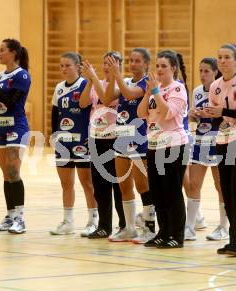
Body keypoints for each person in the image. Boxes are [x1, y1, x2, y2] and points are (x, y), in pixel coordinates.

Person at [197, 43, 236, 256]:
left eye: (227, 57)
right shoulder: (215, 85)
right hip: (224, 141)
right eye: (220, 57)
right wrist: (208, 115)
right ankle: (235, 239)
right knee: (228, 193)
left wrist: (222, 110)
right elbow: (219, 118)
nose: (222, 61)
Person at [137, 50, 189, 248]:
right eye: (157, 66)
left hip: (174, 145)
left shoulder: (178, 89)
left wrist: (156, 93)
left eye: (163, 66)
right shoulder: (154, 89)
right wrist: (149, 93)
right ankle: (163, 232)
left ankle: (176, 235)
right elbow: (141, 112)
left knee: (172, 192)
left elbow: (168, 113)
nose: (159, 69)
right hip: (154, 144)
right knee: (157, 192)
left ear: (173, 69)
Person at [104, 48, 156, 243]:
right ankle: (129, 228)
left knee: (143, 185)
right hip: (121, 139)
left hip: (140, 140)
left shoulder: (145, 83)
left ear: (145, 65)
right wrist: (111, 76)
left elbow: (128, 94)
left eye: (137, 61)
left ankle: (150, 228)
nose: (132, 64)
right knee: (123, 185)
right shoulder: (124, 80)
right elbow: (109, 98)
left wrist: (116, 74)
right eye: (131, 60)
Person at [0, 38, 31, 234]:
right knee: (6, 174)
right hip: (0, 128)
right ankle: (10, 216)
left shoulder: (22, 76)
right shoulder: (0, 76)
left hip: (16, 128)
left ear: (13, 53)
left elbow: (10, 102)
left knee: (13, 172)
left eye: (2, 50)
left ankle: (20, 218)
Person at [50, 52, 98, 237]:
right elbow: (55, 114)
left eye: (67, 65)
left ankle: (93, 221)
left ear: (78, 66)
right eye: (61, 65)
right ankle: (68, 222)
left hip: (82, 141)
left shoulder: (85, 84)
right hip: (64, 142)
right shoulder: (59, 88)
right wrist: (54, 135)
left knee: (87, 183)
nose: (64, 69)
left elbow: (90, 109)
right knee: (66, 184)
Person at [78, 51, 125, 239]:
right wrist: (90, 81)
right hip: (96, 138)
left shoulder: (124, 83)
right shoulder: (97, 83)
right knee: (99, 184)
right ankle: (104, 225)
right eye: (105, 63)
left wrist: (95, 78)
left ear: (119, 66)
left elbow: (107, 99)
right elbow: (82, 103)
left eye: (111, 63)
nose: (107, 66)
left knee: (117, 184)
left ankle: (123, 224)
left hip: (114, 138)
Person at [184, 57, 228, 241]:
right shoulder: (196, 91)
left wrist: (211, 114)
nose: (202, 75)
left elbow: (227, 117)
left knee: (221, 187)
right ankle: (190, 227)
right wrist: (192, 115)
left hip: (219, 141)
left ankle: (223, 227)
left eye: (206, 71)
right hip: (200, 142)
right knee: (194, 185)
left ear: (215, 72)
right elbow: (194, 117)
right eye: (200, 71)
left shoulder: (221, 90)